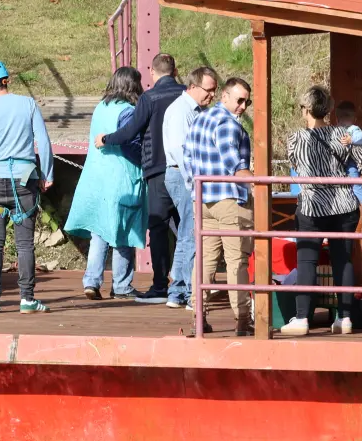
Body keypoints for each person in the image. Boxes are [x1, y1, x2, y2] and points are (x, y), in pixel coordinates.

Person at [280, 85, 362, 337]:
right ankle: (344, 318)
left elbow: (296, 164)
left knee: (307, 261)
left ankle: (301, 319)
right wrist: (351, 146)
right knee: (342, 260)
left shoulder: (296, 138)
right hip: (344, 205)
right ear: (328, 110)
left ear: (307, 110)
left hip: (311, 206)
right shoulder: (342, 133)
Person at [97, 53, 186, 303]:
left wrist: (106, 139)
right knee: (187, 227)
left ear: (152, 72)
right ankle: (189, 281)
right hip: (186, 170)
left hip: (157, 170)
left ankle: (160, 285)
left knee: (158, 227)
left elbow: (130, 131)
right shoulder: (187, 95)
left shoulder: (149, 97)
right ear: (175, 70)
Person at [0, 60, 55, 314]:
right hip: (26, 179)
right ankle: (27, 299)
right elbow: (43, 141)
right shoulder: (27, 104)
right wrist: (46, 173)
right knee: (25, 244)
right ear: (6, 80)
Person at [67, 67, 149, 300]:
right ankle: (122, 285)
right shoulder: (129, 111)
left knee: (99, 231)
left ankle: (91, 281)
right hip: (122, 177)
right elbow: (131, 145)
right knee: (123, 231)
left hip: (96, 177)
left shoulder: (100, 107)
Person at [183, 76, 255, 336]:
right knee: (237, 261)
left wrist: (194, 189)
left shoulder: (200, 118)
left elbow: (187, 158)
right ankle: (243, 320)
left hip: (203, 200)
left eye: (246, 101)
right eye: (239, 100)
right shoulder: (227, 124)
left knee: (204, 262)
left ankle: (199, 318)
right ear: (225, 96)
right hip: (229, 200)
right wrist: (254, 183)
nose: (243, 106)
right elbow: (233, 162)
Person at [162, 66, 218, 311]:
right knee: (190, 232)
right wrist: (193, 181)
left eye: (215, 90)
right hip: (182, 174)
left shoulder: (192, 110)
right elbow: (179, 150)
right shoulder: (181, 111)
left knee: (189, 230)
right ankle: (184, 291)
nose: (212, 95)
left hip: (184, 175)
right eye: (209, 90)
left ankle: (181, 290)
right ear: (193, 87)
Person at [334, 101, 362, 225]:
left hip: (352, 161)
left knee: (355, 184)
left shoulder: (353, 129)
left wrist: (350, 139)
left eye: (347, 117)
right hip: (345, 160)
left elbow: (361, 137)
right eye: (341, 117)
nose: (343, 120)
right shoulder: (338, 130)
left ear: (354, 119)